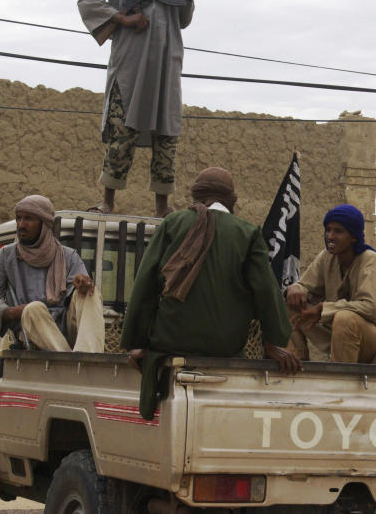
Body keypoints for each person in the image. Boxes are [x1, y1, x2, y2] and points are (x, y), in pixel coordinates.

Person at [120, 167, 301, 419]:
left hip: (172, 341)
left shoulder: (173, 223)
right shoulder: (248, 233)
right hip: (225, 346)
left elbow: (146, 284)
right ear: (231, 200)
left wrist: (138, 343)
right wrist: (272, 344)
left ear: (197, 197)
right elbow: (266, 292)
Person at [78, 0, 196, 218]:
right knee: (121, 131)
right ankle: (109, 201)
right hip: (131, 65)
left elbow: (182, 19)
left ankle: (162, 206)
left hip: (166, 64)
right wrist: (124, 19)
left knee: (167, 134)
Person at [284, 205, 376, 364]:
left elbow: (371, 308)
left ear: (354, 236)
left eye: (338, 231)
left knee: (345, 319)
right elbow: (306, 286)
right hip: (340, 331)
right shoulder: (327, 256)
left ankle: (339, 380)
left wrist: (322, 309)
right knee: (291, 303)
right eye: (328, 230)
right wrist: (295, 288)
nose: (330, 236)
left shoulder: (370, 259)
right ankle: (297, 362)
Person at [0, 195, 104, 352]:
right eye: (19, 218)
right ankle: (71, 364)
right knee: (34, 309)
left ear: (44, 224)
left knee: (90, 295)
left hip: (65, 327)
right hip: (32, 328)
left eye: (28, 219)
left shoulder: (68, 256)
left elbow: (80, 288)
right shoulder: (6, 256)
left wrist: (84, 283)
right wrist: (17, 311)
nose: (21, 225)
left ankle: (87, 357)